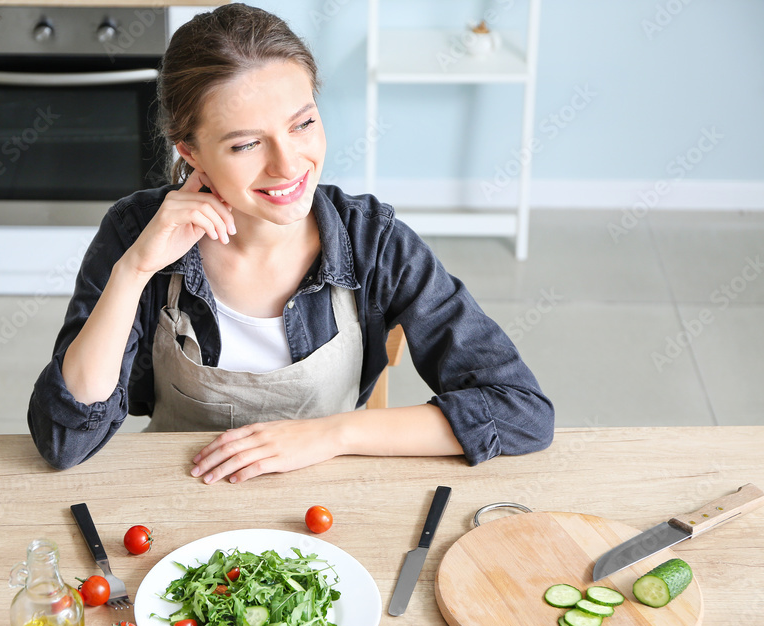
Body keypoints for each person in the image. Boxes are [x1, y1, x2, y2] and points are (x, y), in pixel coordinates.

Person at [27, 3, 554, 481]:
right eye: (247, 144)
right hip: (179, 495)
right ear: (191, 151)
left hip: (326, 504)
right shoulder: (135, 230)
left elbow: (520, 411)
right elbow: (66, 441)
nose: (288, 165)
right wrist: (133, 271)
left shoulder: (371, 239)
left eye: (302, 124)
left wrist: (334, 434)